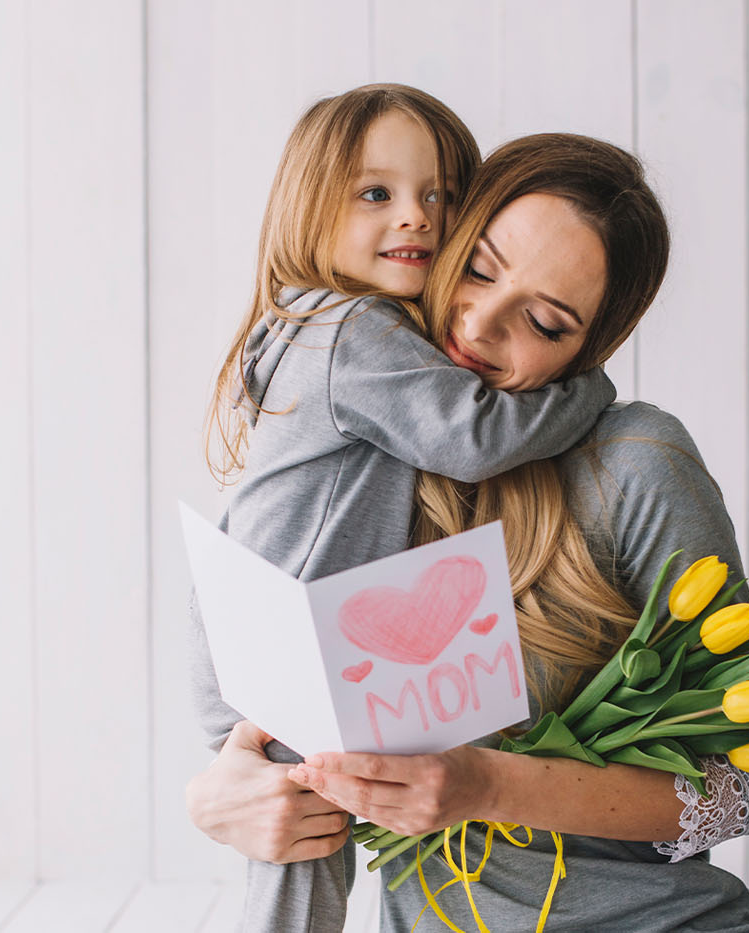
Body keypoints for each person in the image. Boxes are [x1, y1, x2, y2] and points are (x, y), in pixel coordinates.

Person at [189, 133, 749, 932]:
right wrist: (221, 794)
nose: (480, 321)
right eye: (477, 267)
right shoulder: (350, 445)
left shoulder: (636, 465)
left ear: (588, 351)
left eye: (544, 321)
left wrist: (488, 784)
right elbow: (251, 684)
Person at [192, 85, 619, 931]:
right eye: (377, 193)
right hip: (293, 650)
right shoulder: (351, 329)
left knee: (305, 853)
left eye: (440, 194)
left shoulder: (303, 326)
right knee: (302, 860)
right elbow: (474, 436)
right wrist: (588, 388)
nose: (417, 217)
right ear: (311, 207)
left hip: (260, 632)